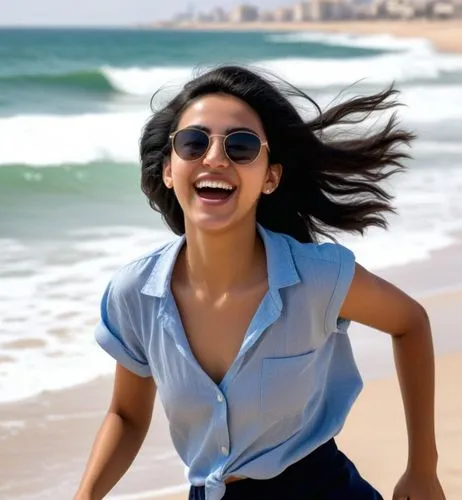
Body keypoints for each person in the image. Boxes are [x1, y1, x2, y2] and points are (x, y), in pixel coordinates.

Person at [74, 65, 446, 500]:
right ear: (169, 170)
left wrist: (422, 468)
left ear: (270, 177)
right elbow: (126, 415)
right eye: (194, 143)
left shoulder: (317, 277)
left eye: (242, 146)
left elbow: (410, 322)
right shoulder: (135, 293)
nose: (214, 157)